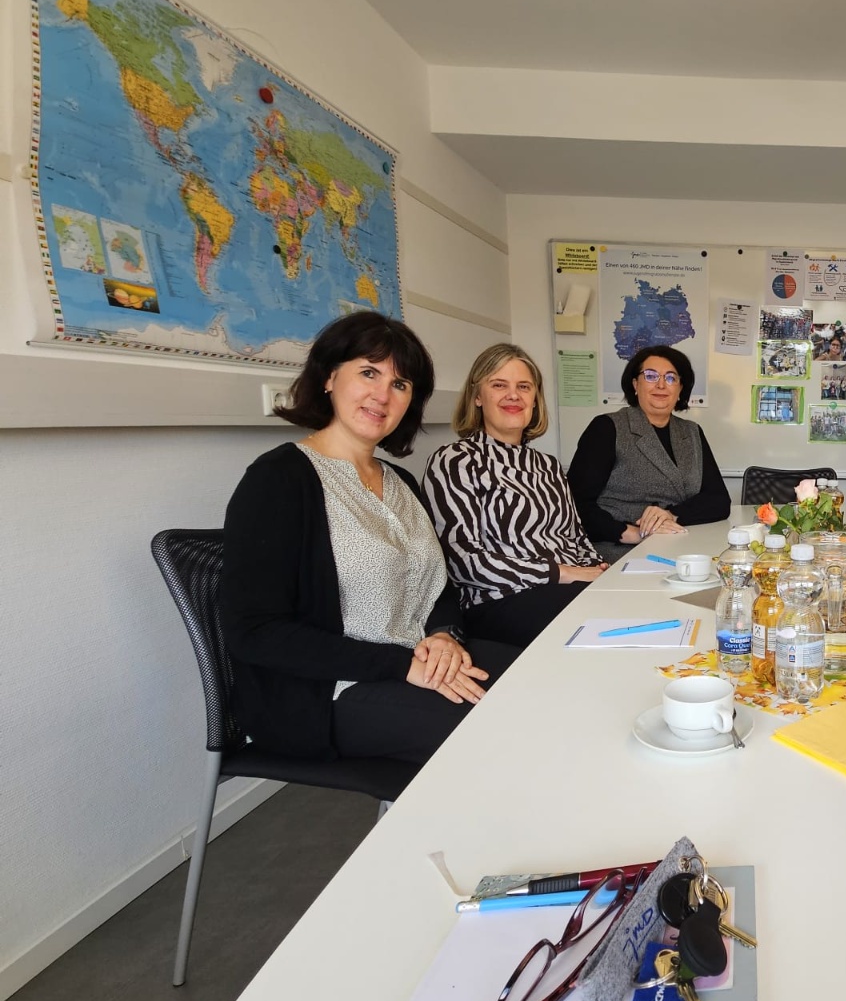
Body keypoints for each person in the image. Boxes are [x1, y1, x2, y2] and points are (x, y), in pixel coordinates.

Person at [221, 313, 515, 764]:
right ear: (329, 377)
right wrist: (401, 665)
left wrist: (444, 635)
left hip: (416, 658)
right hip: (329, 692)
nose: (383, 394)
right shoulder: (279, 479)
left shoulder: (401, 482)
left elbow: (435, 585)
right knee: (506, 733)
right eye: (369, 373)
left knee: (544, 677)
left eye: (400, 384)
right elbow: (254, 632)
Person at [423, 344, 607, 650]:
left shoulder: (548, 465)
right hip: (498, 599)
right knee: (606, 620)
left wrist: (602, 572)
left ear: (535, 399)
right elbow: (462, 561)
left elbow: (576, 538)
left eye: (524, 387)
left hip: (566, 587)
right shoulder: (456, 460)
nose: (513, 395)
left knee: (637, 598)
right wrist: (558, 573)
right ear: (477, 396)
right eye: (499, 385)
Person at [568, 345, 732, 562]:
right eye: (651, 376)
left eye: (671, 378)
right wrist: (634, 533)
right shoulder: (607, 428)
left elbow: (719, 501)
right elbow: (574, 504)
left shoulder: (691, 432)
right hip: (619, 547)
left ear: (680, 388)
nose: (661, 385)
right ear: (635, 384)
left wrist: (670, 514)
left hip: (678, 542)